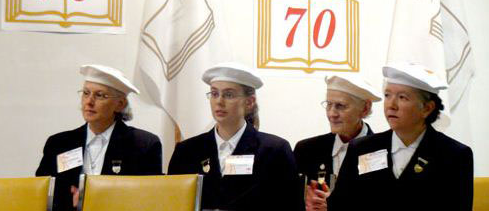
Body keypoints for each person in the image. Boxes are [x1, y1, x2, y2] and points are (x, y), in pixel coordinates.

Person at [328, 62, 473, 211]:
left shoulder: (454, 155)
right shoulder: (362, 148)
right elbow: (339, 205)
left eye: (402, 97)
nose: (391, 105)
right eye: (387, 95)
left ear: (427, 108)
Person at [168, 62, 302, 211]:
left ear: (249, 102)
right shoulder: (187, 151)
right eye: (214, 94)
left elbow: (291, 205)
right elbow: (172, 204)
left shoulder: (274, 150)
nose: (219, 101)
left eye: (229, 94)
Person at [36, 64, 163, 211]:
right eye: (85, 93)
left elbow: (149, 199)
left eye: (100, 95)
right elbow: (42, 194)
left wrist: (96, 200)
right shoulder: (59, 144)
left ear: (120, 104)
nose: (89, 102)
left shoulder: (143, 145)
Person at [294, 75, 381, 211]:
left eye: (340, 106)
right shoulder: (307, 150)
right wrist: (304, 202)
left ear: (365, 109)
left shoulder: (380, 151)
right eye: (328, 105)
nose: (331, 114)